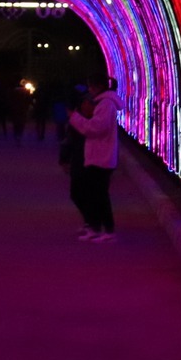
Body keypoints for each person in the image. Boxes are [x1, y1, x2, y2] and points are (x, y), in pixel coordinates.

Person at [69, 78, 121, 242]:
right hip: (98, 155)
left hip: (101, 156)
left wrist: (75, 118)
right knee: (94, 194)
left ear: (100, 87)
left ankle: (108, 230)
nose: (90, 90)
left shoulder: (106, 104)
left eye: (92, 86)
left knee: (100, 195)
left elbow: (96, 128)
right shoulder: (104, 103)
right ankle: (95, 227)